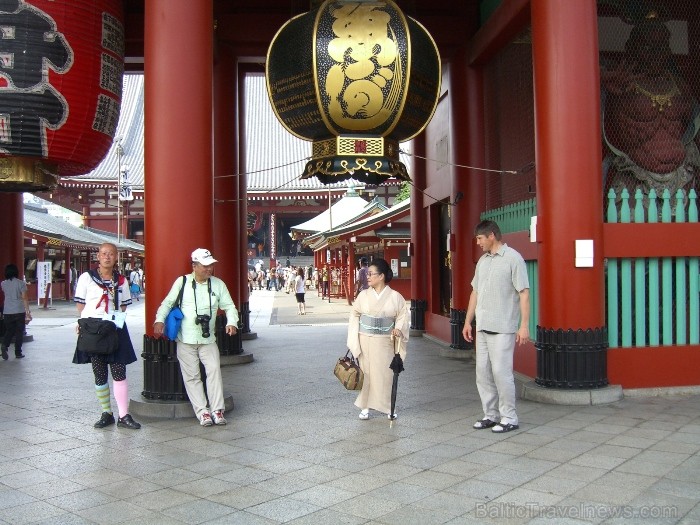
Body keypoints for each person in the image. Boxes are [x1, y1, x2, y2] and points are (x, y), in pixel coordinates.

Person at [601, 15, 699, 205]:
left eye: (662, 46)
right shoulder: (620, 85)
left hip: (681, 178)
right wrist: (604, 81)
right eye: (647, 46)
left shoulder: (679, 87)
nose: (655, 53)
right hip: (635, 176)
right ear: (632, 48)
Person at [154, 248, 239, 427]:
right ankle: (202, 412)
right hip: (186, 338)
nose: (209, 269)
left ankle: (217, 409)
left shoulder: (218, 284)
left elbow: (230, 306)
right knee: (192, 376)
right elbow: (167, 303)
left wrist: (232, 322)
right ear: (194, 266)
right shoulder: (182, 282)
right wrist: (159, 320)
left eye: (211, 266)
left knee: (214, 370)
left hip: (208, 339)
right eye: (205, 265)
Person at [462, 220, 530, 434]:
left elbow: (524, 293)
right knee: (482, 373)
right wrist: (467, 321)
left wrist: (524, 325)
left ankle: (509, 417)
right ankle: (490, 415)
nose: (478, 242)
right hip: (482, 325)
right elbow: (475, 292)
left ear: (491, 235)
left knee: (501, 373)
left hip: (503, 326)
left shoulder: (513, 259)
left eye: (480, 238)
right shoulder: (483, 261)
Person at [73, 243, 141, 430]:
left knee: (119, 371)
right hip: (93, 328)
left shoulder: (121, 280)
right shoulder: (86, 278)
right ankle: (106, 413)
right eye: (104, 254)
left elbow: (124, 306)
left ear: (116, 257)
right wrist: (84, 324)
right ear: (98, 256)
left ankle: (123, 415)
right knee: (99, 372)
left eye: (111, 254)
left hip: (114, 328)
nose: (107, 257)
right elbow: (80, 305)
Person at [347, 258, 408, 420]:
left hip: (385, 341)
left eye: (371, 274)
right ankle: (365, 406)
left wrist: (399, 329)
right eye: (368, 274)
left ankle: (388, 406)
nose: (368, 276)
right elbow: (355, 314)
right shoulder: (363, 295)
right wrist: (354, 338)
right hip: (365, 338)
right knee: (366, 374)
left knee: (385, 375)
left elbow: (402, 315)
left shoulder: (396, 297)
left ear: (381, 276)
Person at [1, 263, 30, 360]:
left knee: (9, 330)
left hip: (7, 311)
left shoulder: (3, 284)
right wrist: (28, 312)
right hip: (19, 310)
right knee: (19, 332)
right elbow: (24, 298)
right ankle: (18, 352)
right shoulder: (21, 283)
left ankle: (5, 345)